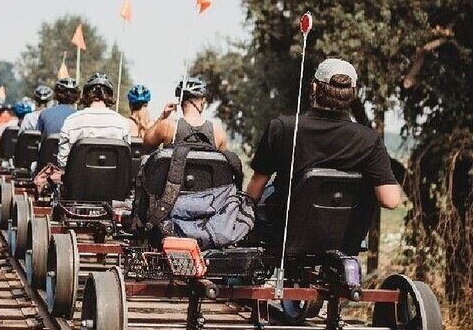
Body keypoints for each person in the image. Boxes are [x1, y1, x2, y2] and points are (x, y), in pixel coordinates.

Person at [245, 58, 400, 226]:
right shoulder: (370, 139)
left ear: (313, 88)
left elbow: (255, 189)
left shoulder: (282, 127)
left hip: (284, 230)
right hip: (342, 236)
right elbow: (390, 200)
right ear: (353, 94)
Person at [57, 73, 131, 168]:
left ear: (86, 95)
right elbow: (126, 162)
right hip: (112, 182)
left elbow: (62, 162)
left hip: (78, 182)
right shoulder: (122, 123)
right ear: (109, 95)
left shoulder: (71, 121)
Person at [143, 77, 227, 151]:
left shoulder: (168, 126)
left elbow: (147, 144)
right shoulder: (218, 132)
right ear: (202, 102)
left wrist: (162, 117)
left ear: (180, 102)